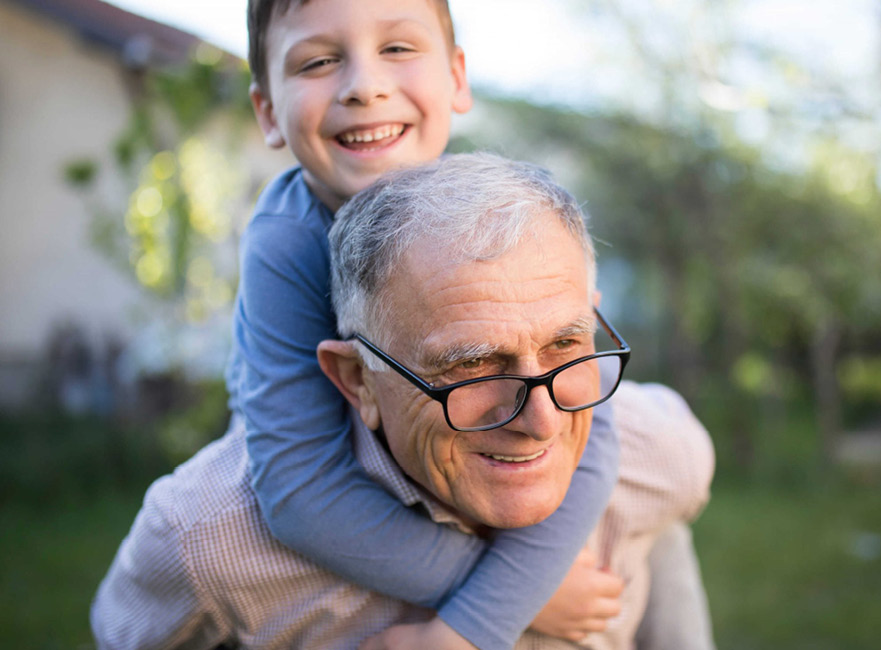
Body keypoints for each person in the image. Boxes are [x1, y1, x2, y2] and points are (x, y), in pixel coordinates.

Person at [91, 153, 715, 649]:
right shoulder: (208, 539)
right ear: (357, 380)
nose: (541, 421)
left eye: (565, 343)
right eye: (472, 365)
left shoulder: (660, 452)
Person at [226, 0, 622, 647]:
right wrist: (497, 604)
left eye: (398, 49)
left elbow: (597, 435)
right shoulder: (285, 244)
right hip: (368, 484)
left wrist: (496, 602)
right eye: (319, 61)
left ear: (457, 78)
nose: (365, 85)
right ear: (268, 111)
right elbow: (299, 488)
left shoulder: (491, 212)